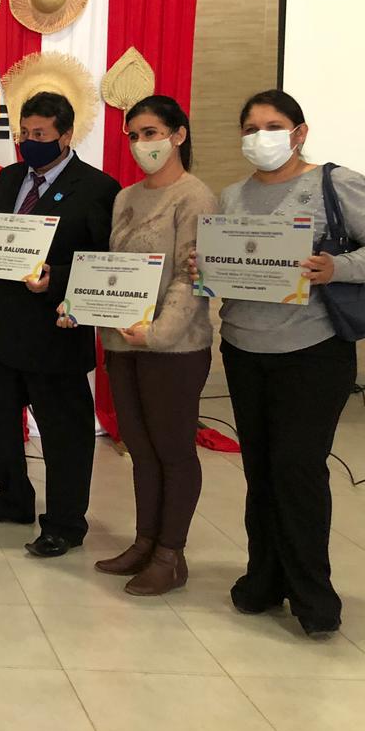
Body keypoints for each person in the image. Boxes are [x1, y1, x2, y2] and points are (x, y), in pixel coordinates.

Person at [200, 89, 365, 637]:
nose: (260, 137)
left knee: (298, 470)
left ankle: (313, 595)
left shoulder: (334, 182)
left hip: (313, 351)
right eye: (250, 128)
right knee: (260, 471)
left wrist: (337, 267)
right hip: (243, 347)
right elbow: (227, 260)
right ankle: (262, 579)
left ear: (300, 132)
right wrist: (206, 263)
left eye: (273, 126)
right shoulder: (232, 195)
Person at [57, 95, 215, 594]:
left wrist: (160, 332)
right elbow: (111, 269)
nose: (141, 144)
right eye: (133, 135)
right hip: (123, 343)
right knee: (140, 449)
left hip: (174, 347)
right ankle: (145, 541)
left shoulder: (196, 197)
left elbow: (192, 278)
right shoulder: (126, 197)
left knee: (173, 449)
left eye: (150, 133)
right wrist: (78, 303)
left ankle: (172, 553)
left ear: (178, 135)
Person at [0, 91, 120, 557]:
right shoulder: (10, 178)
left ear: (66, 135)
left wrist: (57, 280)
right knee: (1, 423)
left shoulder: (97, 187)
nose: (29, 142)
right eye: (24, 134)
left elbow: (105, 262)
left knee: (64, 434)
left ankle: (65, 523)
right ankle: (11, 498)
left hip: (53, 331)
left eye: (40, 135)